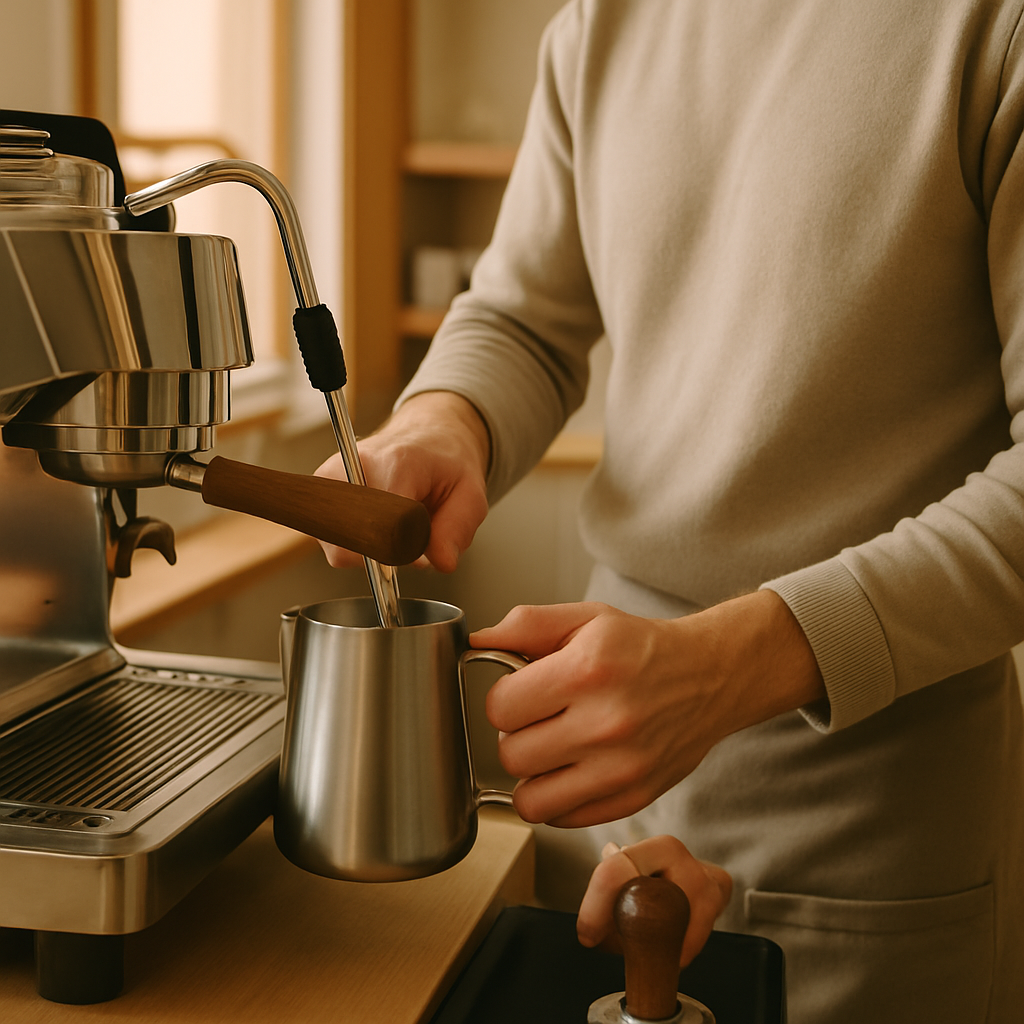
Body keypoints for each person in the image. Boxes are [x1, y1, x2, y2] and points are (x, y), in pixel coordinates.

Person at [317, 1, 1024, 1019]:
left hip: (870, 837)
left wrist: (731, 665)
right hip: (605, 794)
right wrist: (446, 416)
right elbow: (522, 316)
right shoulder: (600, 23)